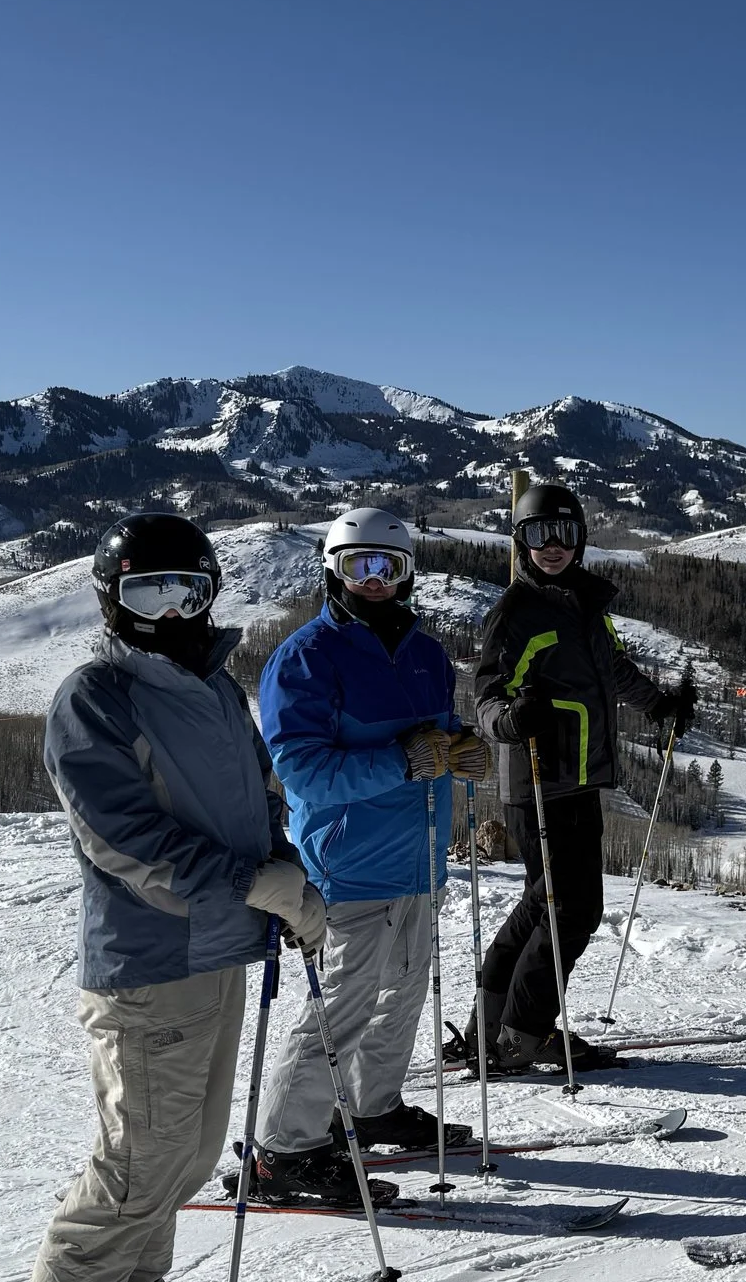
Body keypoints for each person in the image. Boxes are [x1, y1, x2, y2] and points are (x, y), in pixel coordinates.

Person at [0, 514, 329, 1282]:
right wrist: (254, 882)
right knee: (136, 1166)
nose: (169, 610)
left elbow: (251, 803)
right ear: (111, 600)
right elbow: (127, 841)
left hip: (215, 954)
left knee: (186, 1157)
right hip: (149, 963)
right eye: (146, 591)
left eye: (187, 591)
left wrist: (281, 870)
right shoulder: (95, 697)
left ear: (210, 593)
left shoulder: (214, 687)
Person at [233, 507, 491, 1206]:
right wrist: (403, 762)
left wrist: (463, 747)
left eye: (389, 567)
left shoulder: (428, 654)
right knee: (339, 1011)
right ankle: (282, 1148)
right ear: (332, 570)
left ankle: (371, 1105)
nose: (374, 581)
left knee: (402, 995)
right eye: (358, 566)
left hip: (419, 860)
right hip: (345, 869)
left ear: (408, 575)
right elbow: (304, 771)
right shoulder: (306, 658)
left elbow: (436, 738)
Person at [464, 483, 697, 1073]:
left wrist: (658, 705)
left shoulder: (582, 604)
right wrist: (514, 721)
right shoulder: (515, 613)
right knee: (573, 910)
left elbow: (611, 667)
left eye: (563, 534)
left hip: (577, 778)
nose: (552, 547)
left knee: (544, 903)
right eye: (539, 535)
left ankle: (490, 1027)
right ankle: (525, 1033)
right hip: (541, 781)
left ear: (580, 541)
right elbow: (485, 700)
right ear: (522, 542)